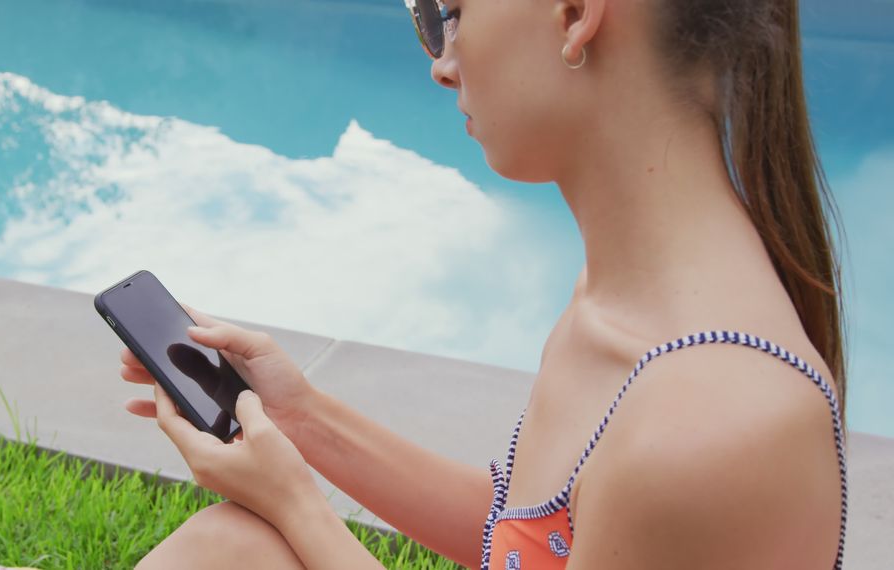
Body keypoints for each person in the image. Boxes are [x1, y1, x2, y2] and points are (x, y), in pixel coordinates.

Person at [118, 0, 848, 567]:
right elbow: (529, 542)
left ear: (574, 13)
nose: (441, 63)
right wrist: (305, 420)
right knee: (231, 552)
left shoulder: (707, 430)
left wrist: (296, 503)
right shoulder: (623, 300)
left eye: (451, 15)